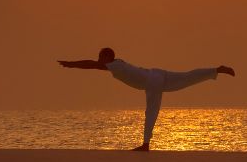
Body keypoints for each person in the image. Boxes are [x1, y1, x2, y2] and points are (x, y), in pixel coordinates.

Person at [58, 47, 235, 151]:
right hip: (157, 74)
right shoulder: (118, 63)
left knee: (151, 112)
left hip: (152, 82)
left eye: (101, 57)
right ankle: (216, 70)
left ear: (107, 57)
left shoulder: (114, 65)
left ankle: (145, 144)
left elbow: (90, 64)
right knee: (187, 77)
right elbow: (93, 64)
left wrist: (71, 64)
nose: (99, 60)